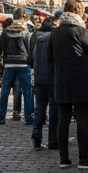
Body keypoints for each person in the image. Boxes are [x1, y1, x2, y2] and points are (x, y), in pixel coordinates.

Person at [49, 0, 88, 169]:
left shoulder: (55, 32)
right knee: (81, 118)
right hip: (81, 78)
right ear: (78, 10)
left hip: (61, 78)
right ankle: (83, 158)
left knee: (63, 119)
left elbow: (49, 58)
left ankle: (63, 158)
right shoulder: (80, 30)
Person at [0, 9, 33, 125]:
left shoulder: (6, 31)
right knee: (27, 92)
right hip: (23, 63)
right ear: (24, 17)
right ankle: (28, 117)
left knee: (5, 92)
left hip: (9, 64)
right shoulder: (26, 31)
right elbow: (30, 48)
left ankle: (1, 117)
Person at [27, 14, 58, 150]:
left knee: (39, 106)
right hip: (53, 76)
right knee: (54, 107)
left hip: (38, 76)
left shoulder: (35, 35)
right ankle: (53, 140)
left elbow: (30, 57)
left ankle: (36, 138)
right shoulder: (55, 35)